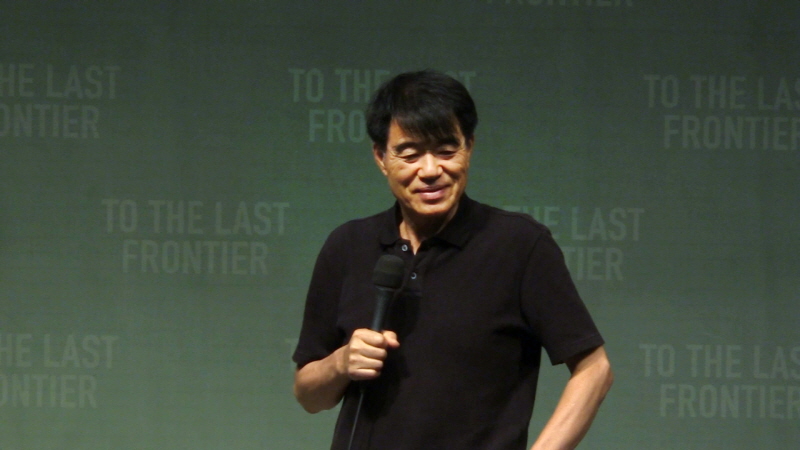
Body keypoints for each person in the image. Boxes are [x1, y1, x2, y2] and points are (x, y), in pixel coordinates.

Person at [292, 70, 613, 450]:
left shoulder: (519, 246)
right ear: (381, 157)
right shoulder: (348, 246)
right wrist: (341, 363)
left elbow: (595, 369)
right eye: (410, 154)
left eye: (446, 150)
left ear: (469, 146)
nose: (430, 171)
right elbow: (310, 395)